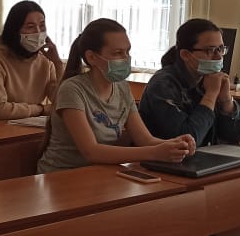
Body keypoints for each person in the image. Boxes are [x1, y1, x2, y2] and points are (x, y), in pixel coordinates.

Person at [37, 18, 195, 173]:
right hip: (62, 175)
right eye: (118, 53)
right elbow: (91, 152)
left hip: (100, 173)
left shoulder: (122, 87)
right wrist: (155, 152)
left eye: (127, 51)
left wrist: (175, 145)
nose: (126, 58)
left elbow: (145, 140)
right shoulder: (72, 89)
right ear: (92, 57)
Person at [139, 18, 240, 147]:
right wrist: (210, 96)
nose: (218, 56)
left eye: (220, 49)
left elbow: (236, 135)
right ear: (185, 54)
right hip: (164, 157)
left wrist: (226, 100)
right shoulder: (163, 85)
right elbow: (187, 140)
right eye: (210, 50)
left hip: (205, 156)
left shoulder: (208, 79)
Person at [0, 0, 64, 121]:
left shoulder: (46, 61)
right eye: (30, 27)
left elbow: (61, 102)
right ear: (15, 30)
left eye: (42, 25)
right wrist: (41, 109)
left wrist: (58, 64)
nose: (38, 32)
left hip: (23, 122)